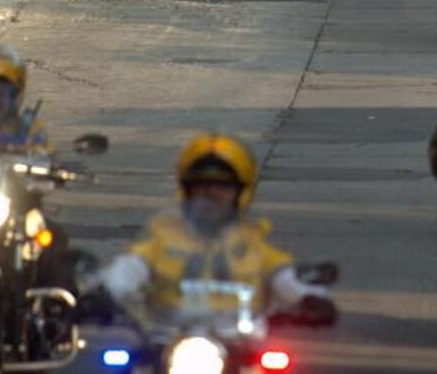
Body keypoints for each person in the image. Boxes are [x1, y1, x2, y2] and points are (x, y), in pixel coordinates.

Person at [99, 134, 336, 326]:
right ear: (186, 190)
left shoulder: (253, 242)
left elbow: (284, 278)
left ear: (240, 192)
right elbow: (128, 269)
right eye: (202, 187)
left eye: (222, 186)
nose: (212, 194)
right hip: (168, 340)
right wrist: (101, 291)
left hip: (241, 346)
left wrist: (309, 297)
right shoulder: (162, 237)